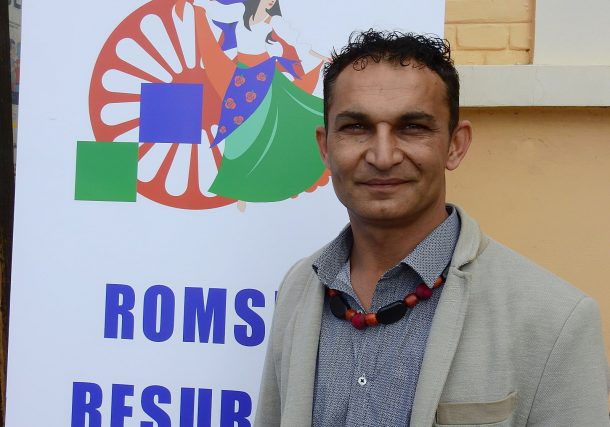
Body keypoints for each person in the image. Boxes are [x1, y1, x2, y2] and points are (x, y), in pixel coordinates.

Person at [254, 30, 610, 426]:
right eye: (356, 127)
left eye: (412, 127)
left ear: (456, 145)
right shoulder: (299, 288)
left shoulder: (555, 320)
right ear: (325, 147)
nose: (383, 156)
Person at [189, 0, 330, 203]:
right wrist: (199, 4)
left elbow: (297, 42)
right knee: (237, 128)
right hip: (242, 76)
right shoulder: (240, 11)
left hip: (263, 76)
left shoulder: (274, 20)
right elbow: (217, 12)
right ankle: (241, 188)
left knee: (264, 127)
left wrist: (320, 57)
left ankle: (260, 181)